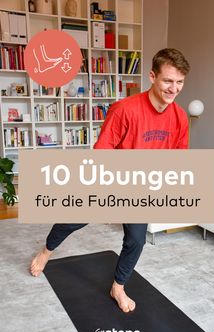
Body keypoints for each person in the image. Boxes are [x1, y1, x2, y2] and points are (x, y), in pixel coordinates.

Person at [30, 48, 190, 313]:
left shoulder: (180, 117)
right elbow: (103, 152)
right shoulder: (125, 109)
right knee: (73, 219)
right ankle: (46, 250)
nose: (174, 89)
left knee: (136, 240)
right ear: (152, 76)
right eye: (168, 81)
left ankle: (118, 286)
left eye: (180, 82)